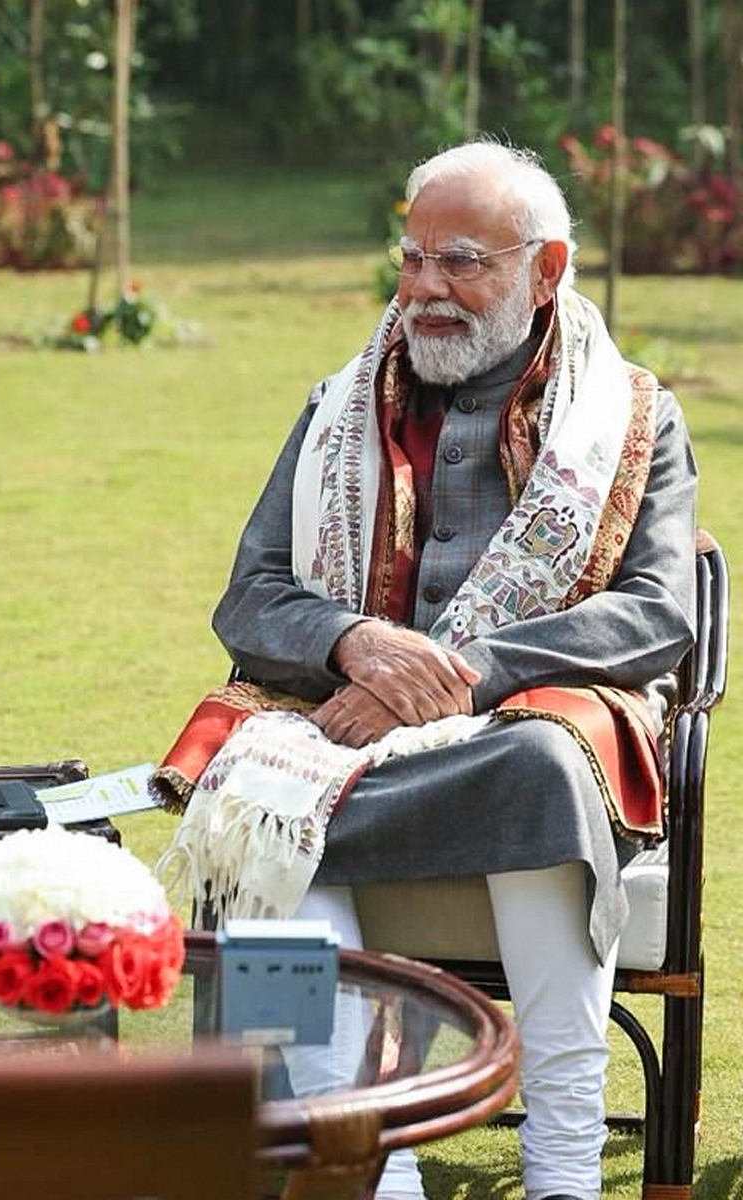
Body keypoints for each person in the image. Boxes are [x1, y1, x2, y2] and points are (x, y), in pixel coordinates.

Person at [154, 141, 696, 1198]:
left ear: (546, 272)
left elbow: (656, 613)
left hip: (515, 739)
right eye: (411, 261)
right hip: (338, 742)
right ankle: (369, 1163)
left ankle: (562, 1174)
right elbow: (252, 597)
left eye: (460, 264)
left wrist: (465, 668)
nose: (425, 292)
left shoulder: (630, 418)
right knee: (252, 799)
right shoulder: (334, 410)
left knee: (543, 764)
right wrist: (354, 643)